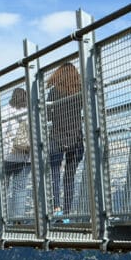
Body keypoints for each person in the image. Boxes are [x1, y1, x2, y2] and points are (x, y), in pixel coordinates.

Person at [46, 63, 84, 216]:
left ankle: (56, 208)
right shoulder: (81, 91)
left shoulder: (54, 91)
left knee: (54, 173)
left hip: (56, 136)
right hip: (76, 137)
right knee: (70, 177)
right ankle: (67, 213)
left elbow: (47, 115)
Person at [1, 87, 31, 220]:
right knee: (20, 188)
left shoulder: (5, 111)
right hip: (26, 156)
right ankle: (18, 219)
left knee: (3, 187)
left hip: (8, 155)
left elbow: (0, 133)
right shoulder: (30, 110)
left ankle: (1, 218)